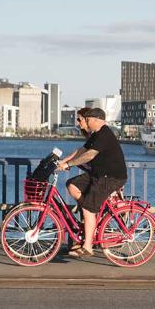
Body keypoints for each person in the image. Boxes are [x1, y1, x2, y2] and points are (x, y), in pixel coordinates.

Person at [56, 107, 127, 258]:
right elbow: (82, 150)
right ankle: (90, 218)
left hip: (110, 177)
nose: (86, 123)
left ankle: (87, 246)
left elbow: (89, 155)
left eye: (87, 120)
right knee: (72, 185)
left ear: (96, 120)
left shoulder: (104, 134)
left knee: (88, 209)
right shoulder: (96, 135)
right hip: (98, 175)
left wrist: (69, 165)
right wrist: (64, 161)